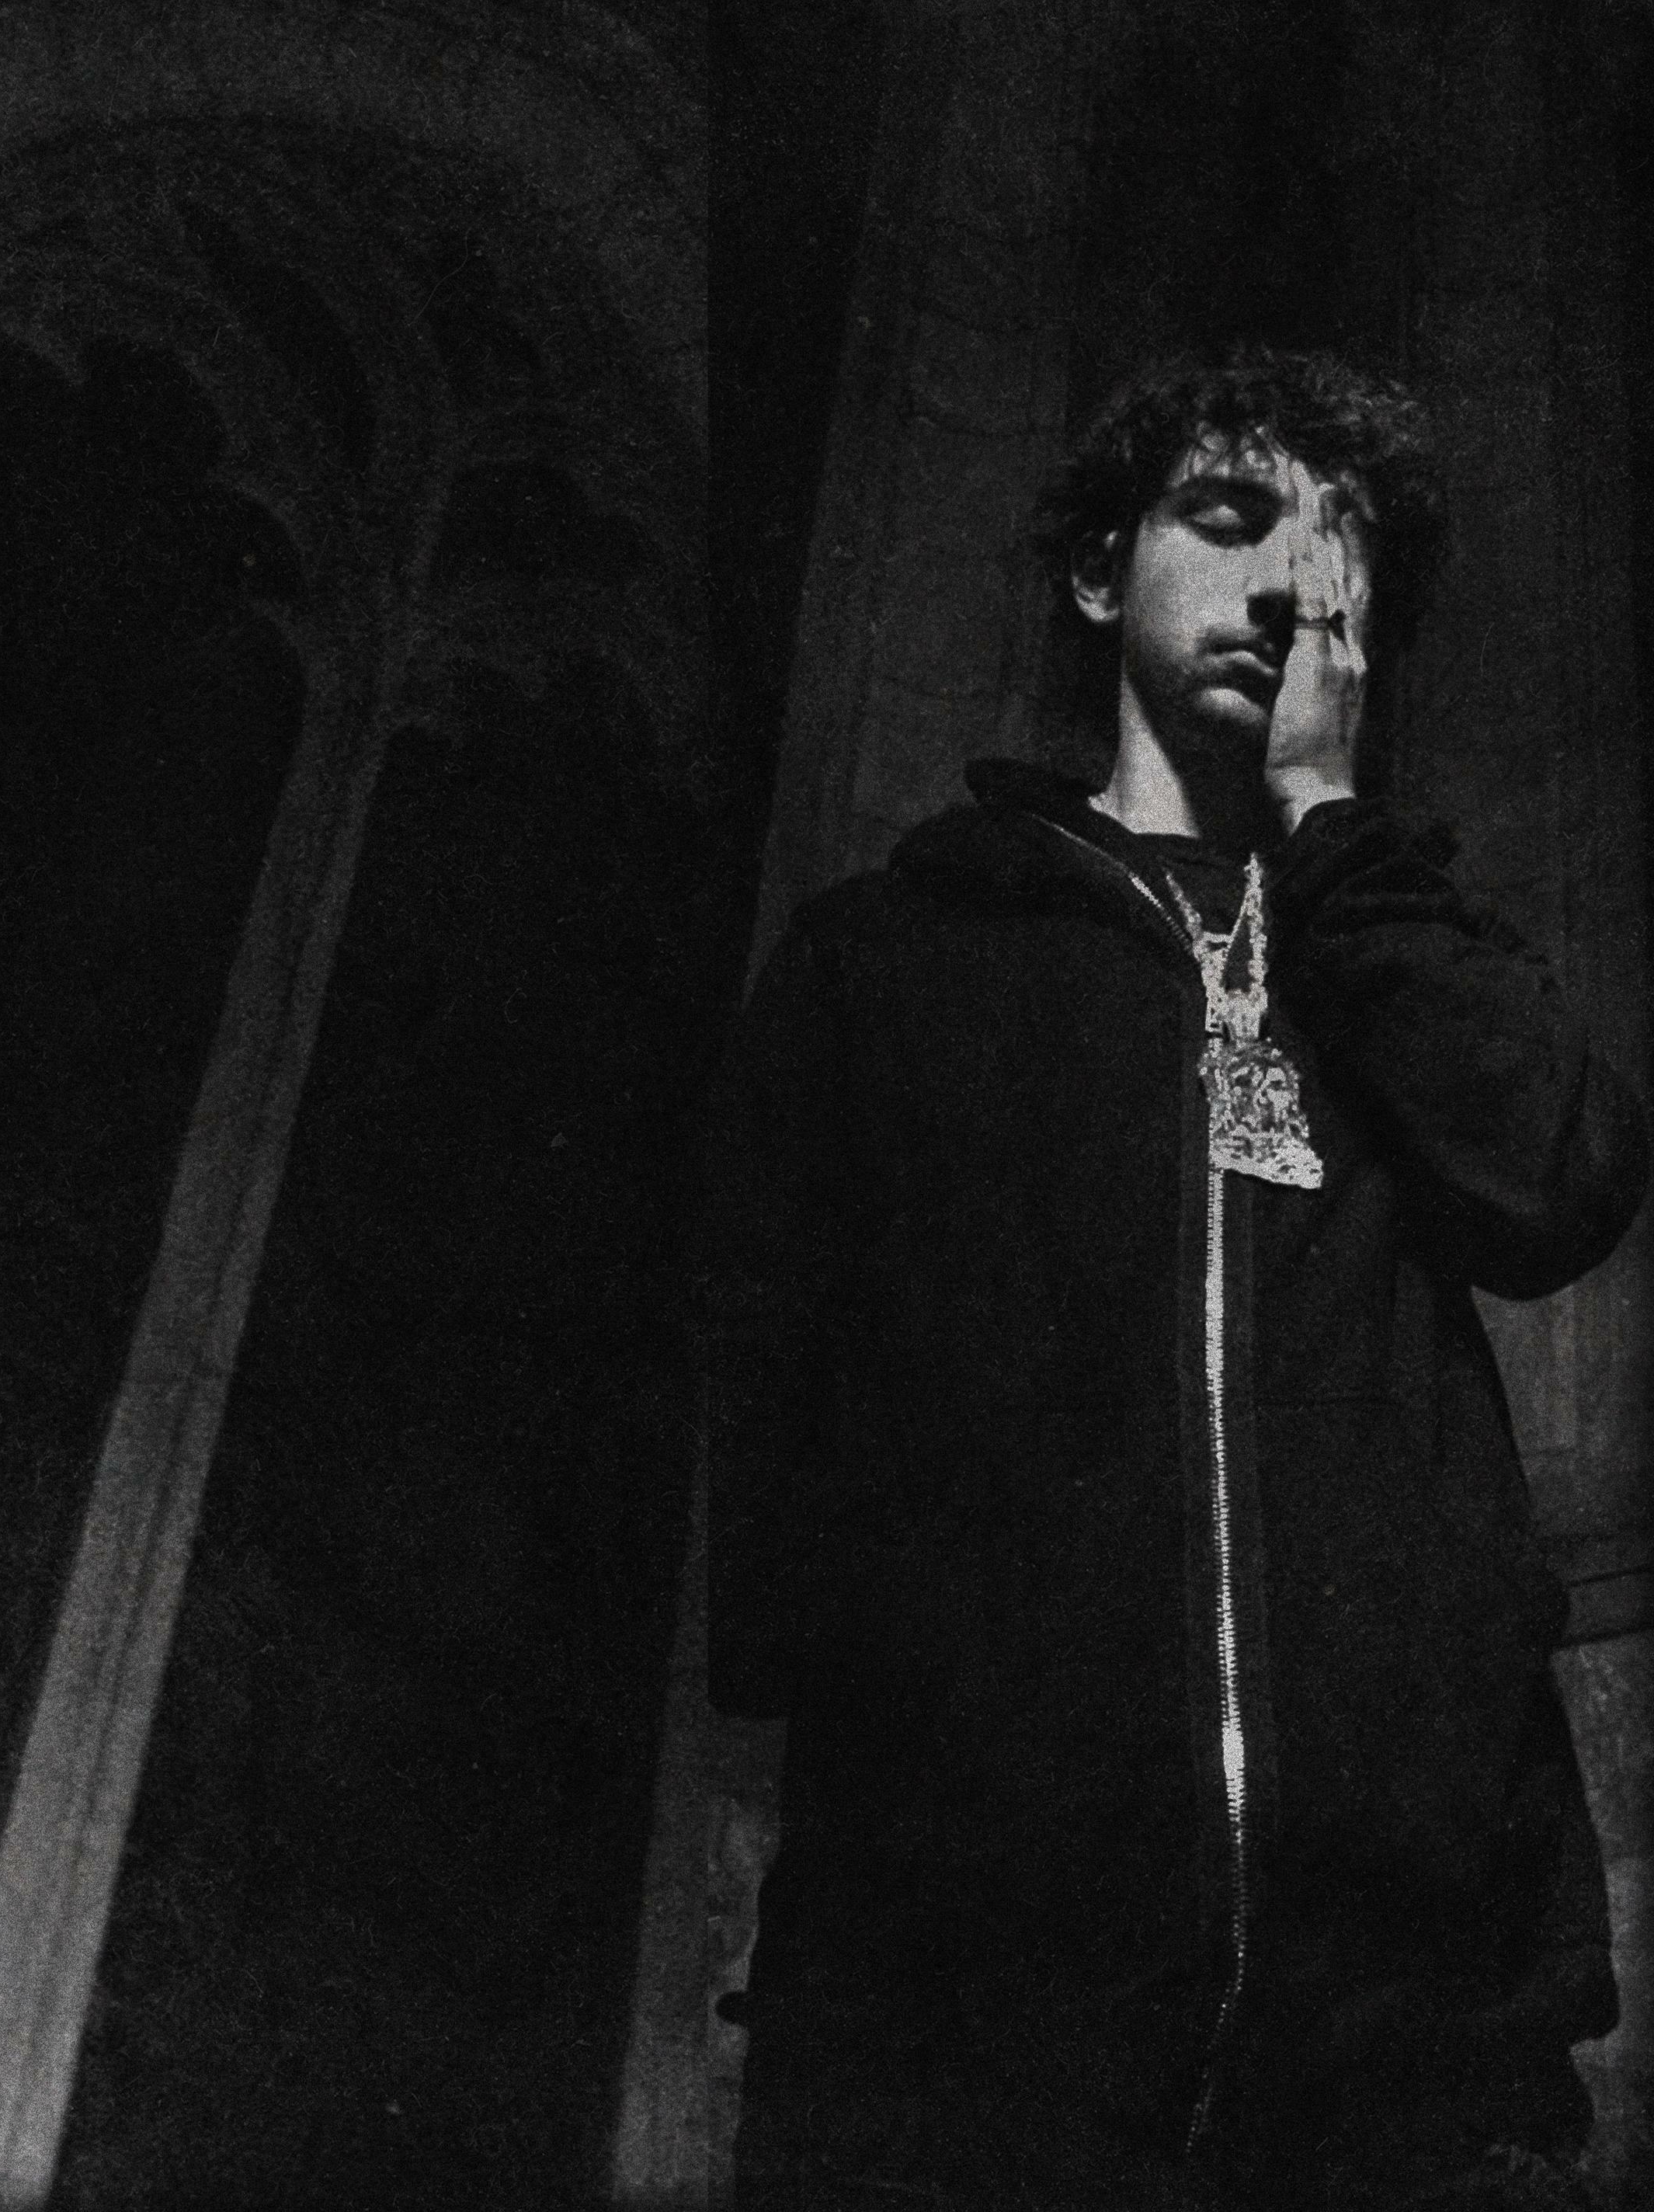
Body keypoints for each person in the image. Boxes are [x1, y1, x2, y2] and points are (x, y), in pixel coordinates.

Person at [700, 348, 1650, 2210]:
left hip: (1411, 2053)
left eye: (1337, 549)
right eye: (1228, 519)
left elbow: (1558, 1184)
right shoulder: (893, 952)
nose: (1289, 584)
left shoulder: (1400, 947)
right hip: (968, 2049)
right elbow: (775, 1418)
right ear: (1095, 570)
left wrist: (1331, 826)